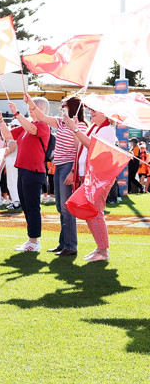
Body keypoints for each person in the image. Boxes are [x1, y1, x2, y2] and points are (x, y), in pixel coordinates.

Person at [23, 94, 88, 257]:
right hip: (59, 166)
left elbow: (79, 150)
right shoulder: (62, 122)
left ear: (72, 107)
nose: (61, 108)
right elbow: (42, 116)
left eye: (64, 105)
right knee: (61, 207)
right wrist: (31, 103)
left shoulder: (79, 126)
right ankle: (63, 244)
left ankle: (71, 246)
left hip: (68, 167)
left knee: (66, 209)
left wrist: (73, 171)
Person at [64, 106, 116, 261]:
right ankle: (100, 249)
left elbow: (92, 147)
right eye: (91, 110)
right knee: (90, 213)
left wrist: (75, 129)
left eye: (95, 110)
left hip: (99, 177)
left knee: (94, 213)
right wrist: (73, 128)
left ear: (105, 113)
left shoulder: (106, 130)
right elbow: (80, 145)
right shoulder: (96, 127)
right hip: (91, 176)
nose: (91, 112)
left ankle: (103, 252)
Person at [0, 102, 50, 252]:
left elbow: (32, 129)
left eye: (33, 107)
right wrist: (1, 120)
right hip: (24, 169)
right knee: (26, 206)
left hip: (33, 170)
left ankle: (34, 241)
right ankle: (32, 240)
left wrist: (16, 113)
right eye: (30, 107)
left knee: (32, 207)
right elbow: (8, 135)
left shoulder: (42, 126)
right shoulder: (27, 126)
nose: (30, 110)